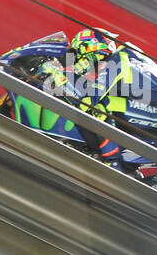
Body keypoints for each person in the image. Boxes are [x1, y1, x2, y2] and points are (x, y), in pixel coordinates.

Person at [34, 27, 136, 164]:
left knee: (100, 107)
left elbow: (90, 97)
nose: (76, 60)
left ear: (89, 48)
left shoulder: (115, 61)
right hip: (135, 110)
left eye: (77, 52)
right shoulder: (106, 66)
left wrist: (55, 74)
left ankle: (112, 162)